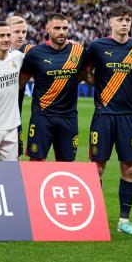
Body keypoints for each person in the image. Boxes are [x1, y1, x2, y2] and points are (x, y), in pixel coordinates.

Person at [82, 3, 132, 235]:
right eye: (120, 19)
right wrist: (95, 83)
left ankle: (124, 221)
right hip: (103, 115)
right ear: (110, 22)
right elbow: (84, 71)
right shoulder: (96, 46)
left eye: (128, 20)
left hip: (129, 118)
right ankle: (95, 218)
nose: (125, 23)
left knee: (130, 169)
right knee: (97, 168)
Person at [19, 13, 86, 162]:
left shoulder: (78, 51)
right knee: (36, 162)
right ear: (47, 29)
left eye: (65, 28)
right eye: (57, 28)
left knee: (66, 164)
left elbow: (84, 75)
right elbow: (20, 83)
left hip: (68, 116)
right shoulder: (35, 53)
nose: (62, 31)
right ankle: (34, 187)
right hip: (42, 116)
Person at [0, 15, 33, 158]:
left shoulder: (23, 55)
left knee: (13, 167)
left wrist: (68, 43)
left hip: (13, 121)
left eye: (24, 32)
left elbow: (49, 52)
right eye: (16, 32)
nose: (20, 36)